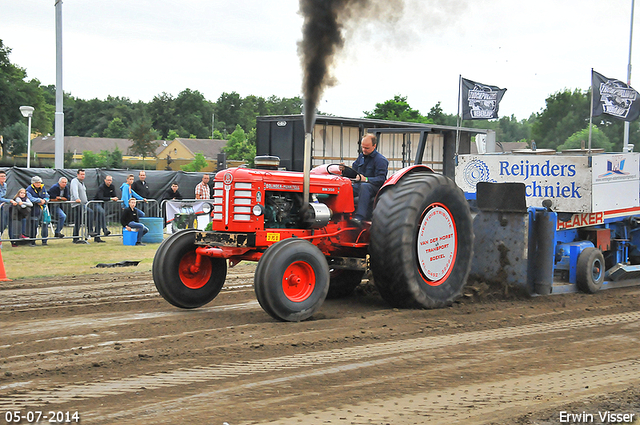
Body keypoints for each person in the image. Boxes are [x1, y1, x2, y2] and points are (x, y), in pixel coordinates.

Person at [340, 133, 389, 227]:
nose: (364, 150)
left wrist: (366, 179)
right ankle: (340, 213)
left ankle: (359, 217)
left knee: (364, 186)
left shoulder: (381, 160)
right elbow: (354, 172)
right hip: (360, 185)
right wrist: (345, 169)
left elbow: (381, 179)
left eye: (367, 148)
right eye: (362, 147)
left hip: (374, 187)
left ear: (374, 146)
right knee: (344, 187)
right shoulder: (361, 157)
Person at [69, 169, 95, 244]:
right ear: (77, 174)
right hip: (77, 204)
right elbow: (75, 190)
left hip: (83, 204)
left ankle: (75, 237)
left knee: (78, 221)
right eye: (81, 174)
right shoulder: (75, 181)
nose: (83, 176)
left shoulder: (82, 183)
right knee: (89, 212)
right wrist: (77, 198)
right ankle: (90, 230)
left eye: (84, 174)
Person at [92, 175, 119, 243]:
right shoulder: (101, 187)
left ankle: (97, 238)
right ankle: (105, 229)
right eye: (108, 180)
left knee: (99, 220)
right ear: (105, 180)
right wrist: (110, 198)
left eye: (110, 180)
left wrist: (115, 198)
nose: (109, 182)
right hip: (96, 203)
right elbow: (100, 197)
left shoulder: (112, 186)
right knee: (102, 212)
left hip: (103, 204)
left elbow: (114, 195)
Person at [26, 176, 50, 246]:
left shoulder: (43, 188)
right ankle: (32, 241)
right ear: (33, 183)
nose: (38, 184)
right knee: (34, 225)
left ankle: (44, 241)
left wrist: (45, 200)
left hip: (43, 209)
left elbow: (47, 196)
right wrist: (39, 200)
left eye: (39, 182)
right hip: (34, 210)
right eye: (37, 182)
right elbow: (30, 198)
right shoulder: (29, 189)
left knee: (45, 224)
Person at [0, 170, 18, 242]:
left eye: (4, 176)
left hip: (1, 206)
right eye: (1, 176)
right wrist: (9, 200)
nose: (3, 177)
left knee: (3, 224)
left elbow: (3, 196)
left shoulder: (5, 185)